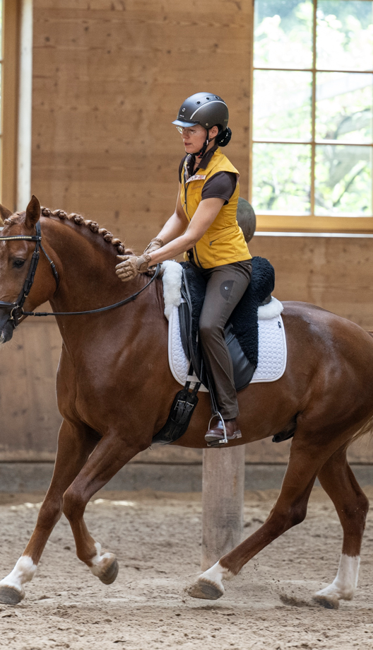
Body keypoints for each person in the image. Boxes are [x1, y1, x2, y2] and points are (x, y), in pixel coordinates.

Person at [114, 92, 253, 441]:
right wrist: (156, 243)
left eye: (191, 129)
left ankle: (228, 418)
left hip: (229, 267)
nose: (184, 135)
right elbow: (178, 216)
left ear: (213, 132)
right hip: (199, 265)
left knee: (208, 327)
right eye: (182, 129)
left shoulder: (222, 176)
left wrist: (147, 260)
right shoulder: (188, 165)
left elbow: (193, 234)